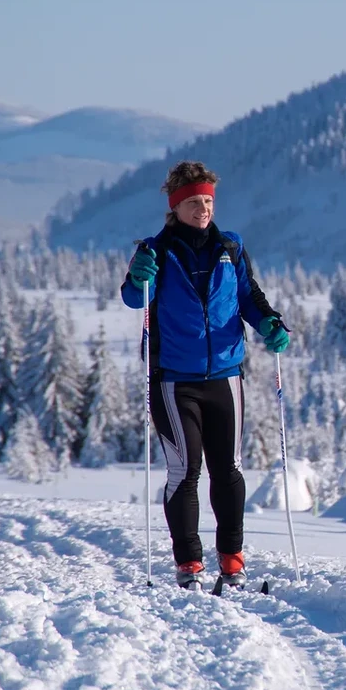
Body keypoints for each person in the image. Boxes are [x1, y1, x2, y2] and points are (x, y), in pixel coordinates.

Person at [121, 160, 290, 590]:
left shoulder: (230, 248)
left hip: (226, 376)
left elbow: (249, 297)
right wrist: (137, 277)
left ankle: (232, 562)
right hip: (174, 380)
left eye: (209, 201)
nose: (204, 209)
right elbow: (132, 296)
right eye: (195, 202)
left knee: (229, 470)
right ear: (176, 206)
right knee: (184, 471)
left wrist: (270, 323)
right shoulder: (155, 252)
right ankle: (189, 565)